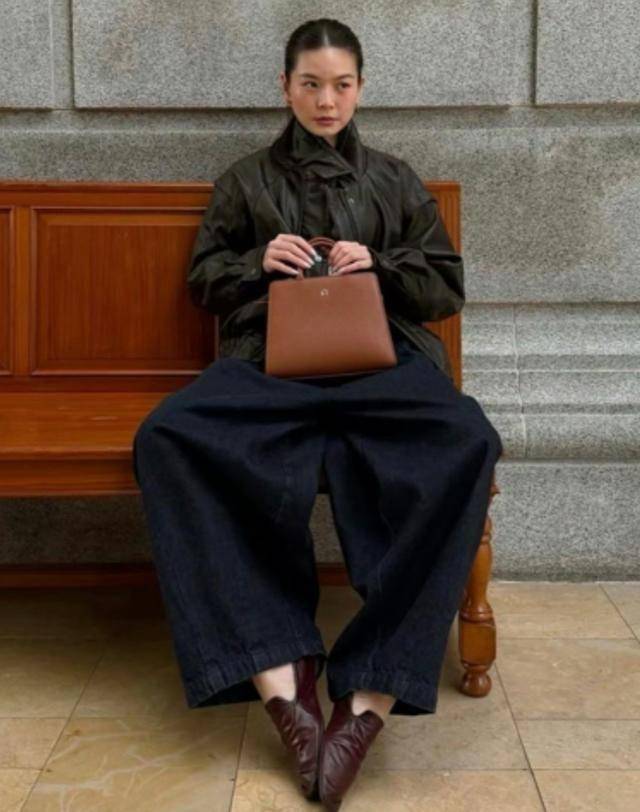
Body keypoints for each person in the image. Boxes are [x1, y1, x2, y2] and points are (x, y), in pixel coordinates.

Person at [132, 17, 503, 811]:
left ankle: (367, 698)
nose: (326, 100)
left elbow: (446, 287)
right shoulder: (244, 181)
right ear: (285, 87)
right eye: (310, 84)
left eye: (340, 85)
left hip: (382, 367)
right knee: (167, 437)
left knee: (469, 439)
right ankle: (283, 682)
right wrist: (256, 262)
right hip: (269, 366)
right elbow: (203, 282)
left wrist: (384, 265)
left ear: (360, 88)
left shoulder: (396, 179)